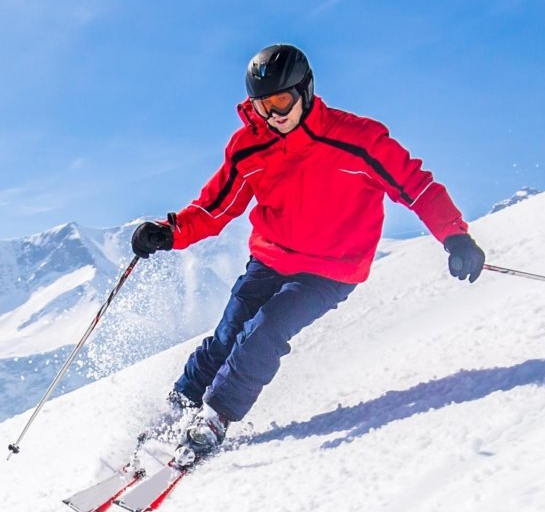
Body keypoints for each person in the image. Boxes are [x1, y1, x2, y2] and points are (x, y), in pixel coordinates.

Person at [131, 43, 485, 465]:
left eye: (282, 101)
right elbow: (216, 207)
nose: (273, 115)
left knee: (265, 330)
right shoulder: (249, 147)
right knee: (227, 335)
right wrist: (169, 233)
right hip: (270, 258)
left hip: (331, 268)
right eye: (263, 105)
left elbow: (416, 186)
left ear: (306, 90)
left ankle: (214, 418)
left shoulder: (358, 139)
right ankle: (177, 409)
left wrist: (455, 236)